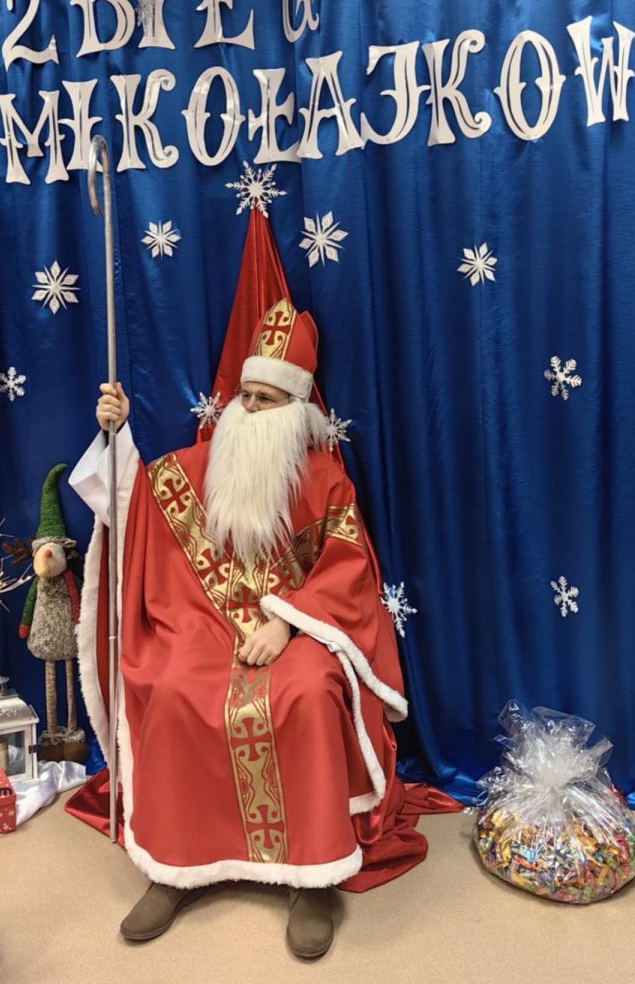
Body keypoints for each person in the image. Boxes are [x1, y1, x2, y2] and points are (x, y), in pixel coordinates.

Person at [69, 298, 417, 959]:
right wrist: (115, 436)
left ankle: (313, 873)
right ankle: (175, 865)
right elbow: (135, 505)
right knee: (173, 687)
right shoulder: (197, 469)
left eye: (267, 400)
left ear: (295, 410)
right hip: (200, 629)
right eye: (246, 396)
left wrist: (286, 622)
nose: (250, 410)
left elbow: (349, 573)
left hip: (298, 633)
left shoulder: (326, 480)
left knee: (308, 694)